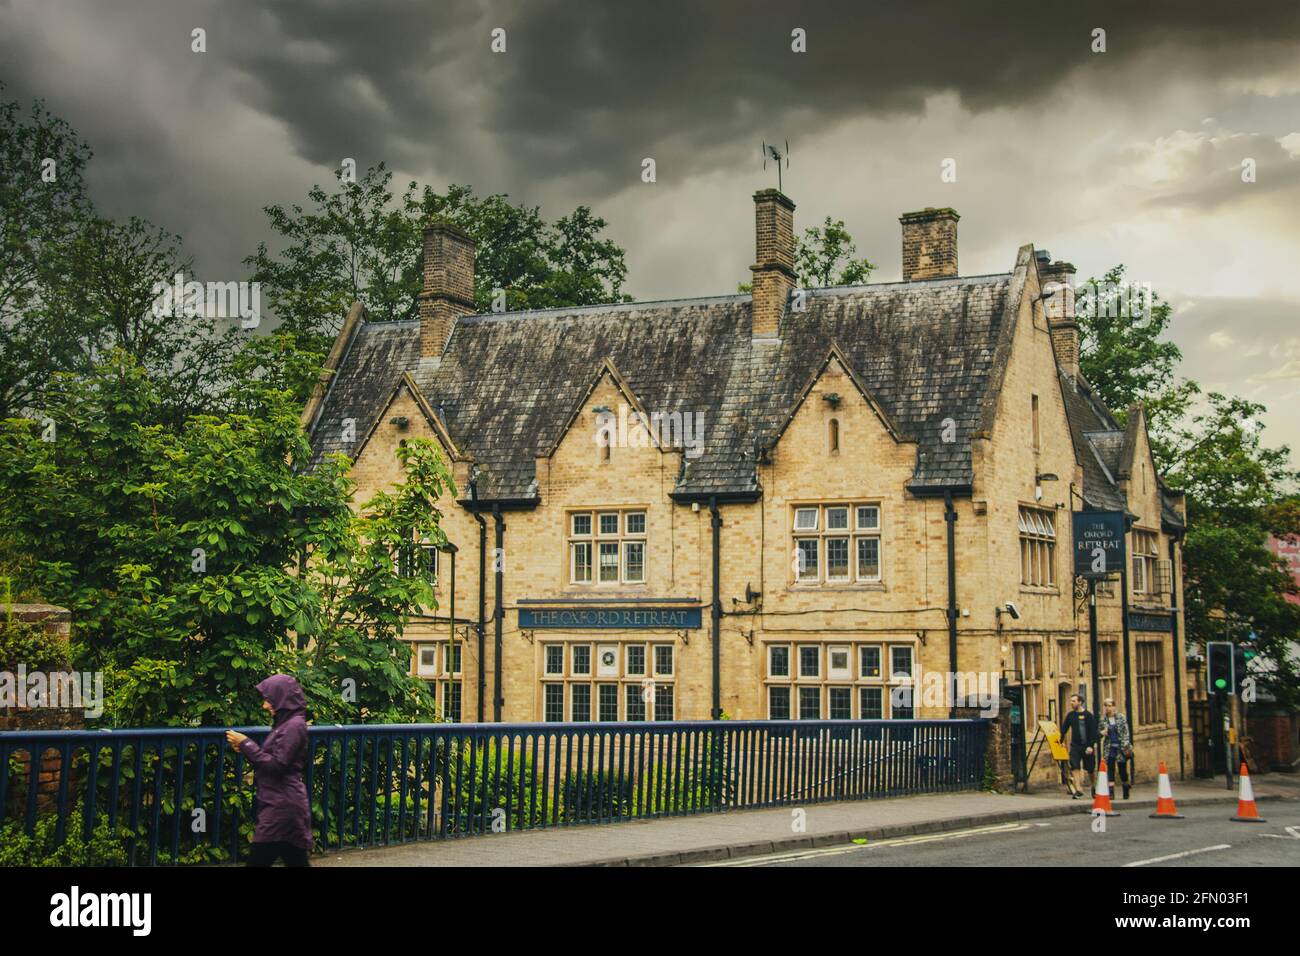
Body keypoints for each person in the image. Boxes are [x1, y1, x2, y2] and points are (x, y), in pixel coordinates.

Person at [225, 674, 313, 866]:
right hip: (284, 806)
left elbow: (277, 765)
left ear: (282, 698)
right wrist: (245, 746)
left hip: (280, 809)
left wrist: (246, 743)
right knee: (296, 861)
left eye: (269, 700)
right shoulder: (287, 724)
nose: (265, 706)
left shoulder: (293, 726)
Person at [1058, 693, 1098, 799]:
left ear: (1080, 702)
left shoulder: (1088, 715)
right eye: (1071, 701)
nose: (1072, 703)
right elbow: (1064, 729)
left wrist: (1091, 746)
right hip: (1075, 746)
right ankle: (1078, 789)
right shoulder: (1071, 715)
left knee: (1090, 769)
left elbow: (1093, 732)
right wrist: (1061, 741)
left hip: (1087, 746)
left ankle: (1094, 786)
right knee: (1075, 766)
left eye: (1074, 701)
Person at [1098, 697, 1133, 800]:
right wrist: (1101, 733)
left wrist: (1126, 746)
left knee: (1122, 770)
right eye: (1106, 706)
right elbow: (1098, 733)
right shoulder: (1102, 719)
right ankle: (1111, 792)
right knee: (1110, 769)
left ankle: (1125, 787)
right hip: (1109, 748)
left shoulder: (1121, 717)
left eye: (1110, 706)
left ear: (1114, 706)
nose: (1108, 708)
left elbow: (1126, 733)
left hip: (1121, 748)